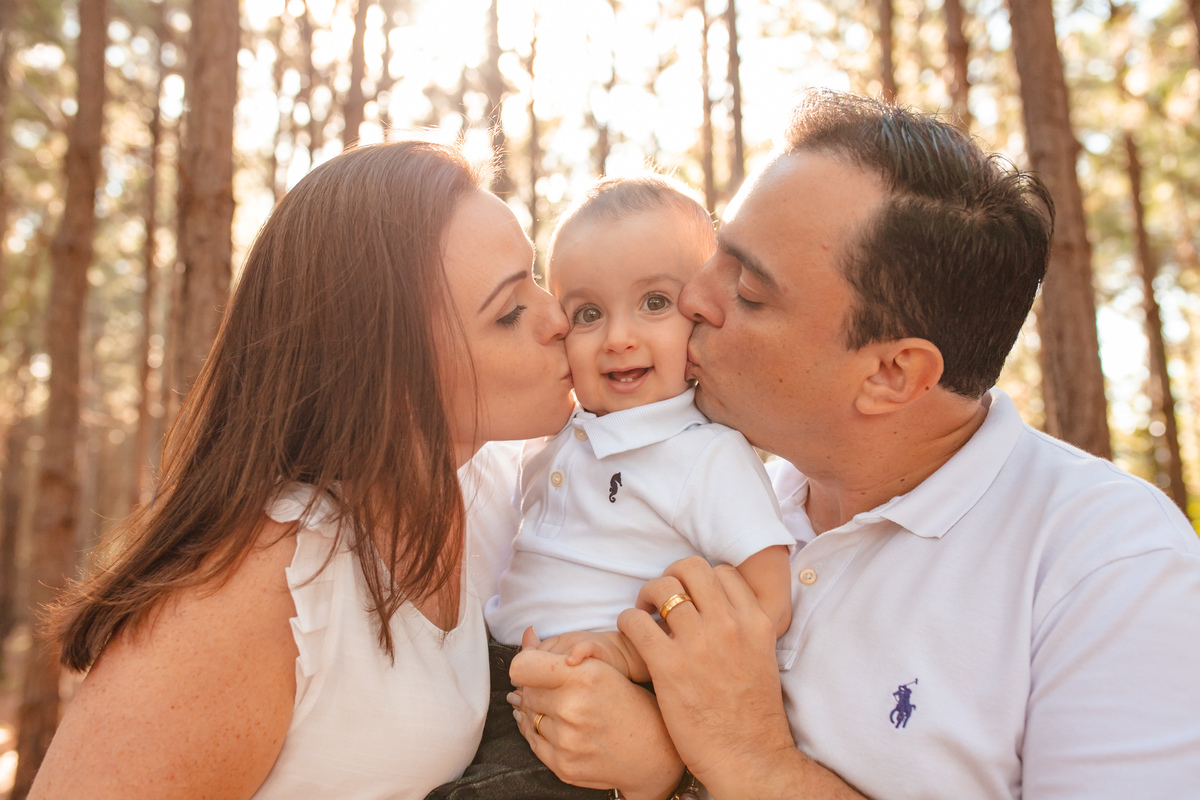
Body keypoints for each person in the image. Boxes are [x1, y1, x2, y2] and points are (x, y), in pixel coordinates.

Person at [499, 90, 1200, 799]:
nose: (692, 301)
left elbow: (741, 758)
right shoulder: (718, 504)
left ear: (893, 374)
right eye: (717, 256)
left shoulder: (1111, 569)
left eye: (747, 289)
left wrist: (755, 762)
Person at [29, 140, 577, 799]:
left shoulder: (501, 482)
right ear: (388, 376)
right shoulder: (253, 590)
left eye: (537, 279)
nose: (559, 318)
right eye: (511, 312)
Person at [431, 175, 793, 800]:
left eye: (654, 302)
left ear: (702, 315)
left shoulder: (704, 454)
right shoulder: (554, 431)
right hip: (496, 675)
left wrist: (632, 652)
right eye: (588, 314)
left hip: (604, 696)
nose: (618, 336)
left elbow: (768, 601)